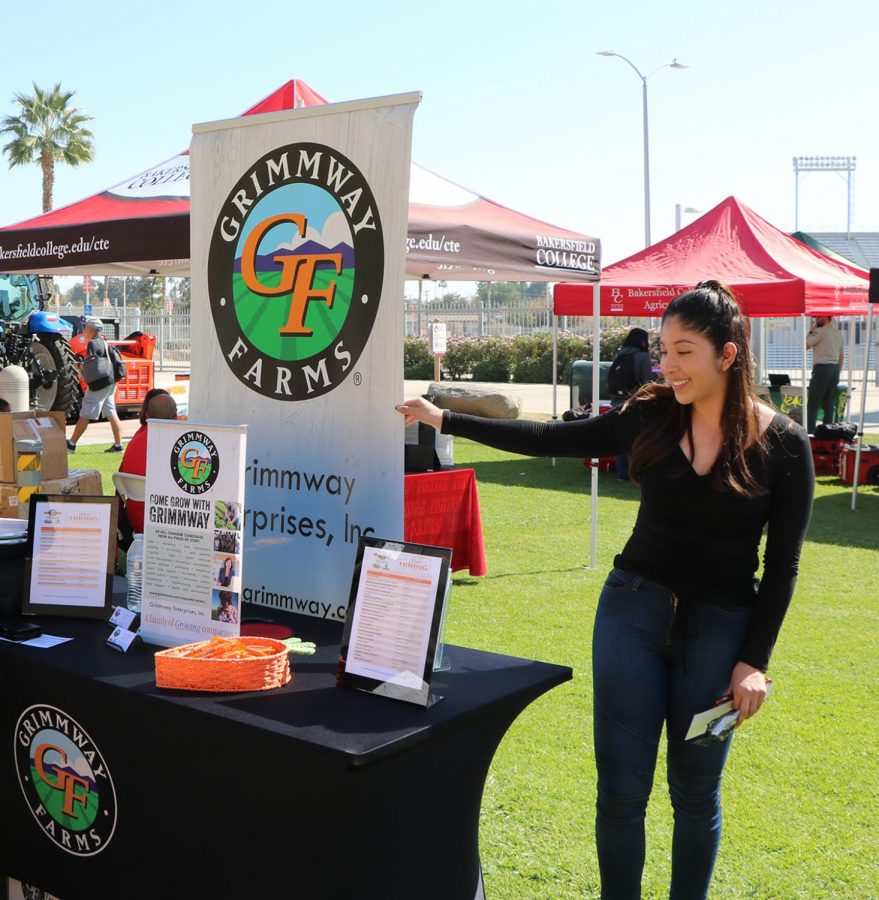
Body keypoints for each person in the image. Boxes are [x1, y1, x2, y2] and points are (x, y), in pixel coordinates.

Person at [396, 281, 814, 899]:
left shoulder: (784, 444)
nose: (666, 365)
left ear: (728, 355)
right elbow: (548, 440)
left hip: (722, 627)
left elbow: (782, 567)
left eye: (684, 351)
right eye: (664, 350)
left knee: (695, 791)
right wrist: (445, 418)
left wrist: (754, 662)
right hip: (631, 612)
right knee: (621, 791)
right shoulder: (649, 412)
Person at [117, 390, 178, 534]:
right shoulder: (176, 443)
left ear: (147, 415)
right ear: (175, 417)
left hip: (134, 523)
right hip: (164, 526)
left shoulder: (134, 441)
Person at [67, 317, 124, 453]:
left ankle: (71, 444)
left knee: (85, 413)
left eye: (86, 326)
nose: (84, 329)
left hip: (100, 384)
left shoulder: (92, 344)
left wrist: (79, 366)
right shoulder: (104, 342)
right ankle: (118, 445)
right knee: (111, 413)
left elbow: (91, 365)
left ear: (91, 329)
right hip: (110, 382)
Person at [607, 327, 654, 480]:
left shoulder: (620, 354)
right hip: (635, 401)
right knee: (637, 440)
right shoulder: (641, 356)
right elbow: (647, 382)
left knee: (622, 438)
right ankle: (636, 473)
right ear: (642, 340)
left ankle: (622, 473)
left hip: (616, 401)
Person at [806, 315, 844, 434]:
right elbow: (842, 356)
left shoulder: (820, 331)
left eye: (818, 317)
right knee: (829, 404)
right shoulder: (837, 333)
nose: (816, 320)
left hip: (822, 368)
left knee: (813, 403)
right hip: (834, 368)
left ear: (825, 317)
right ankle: (827, 432)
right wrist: (838, 371)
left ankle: (810, 432)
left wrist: (811, 331)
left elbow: (806, 345)